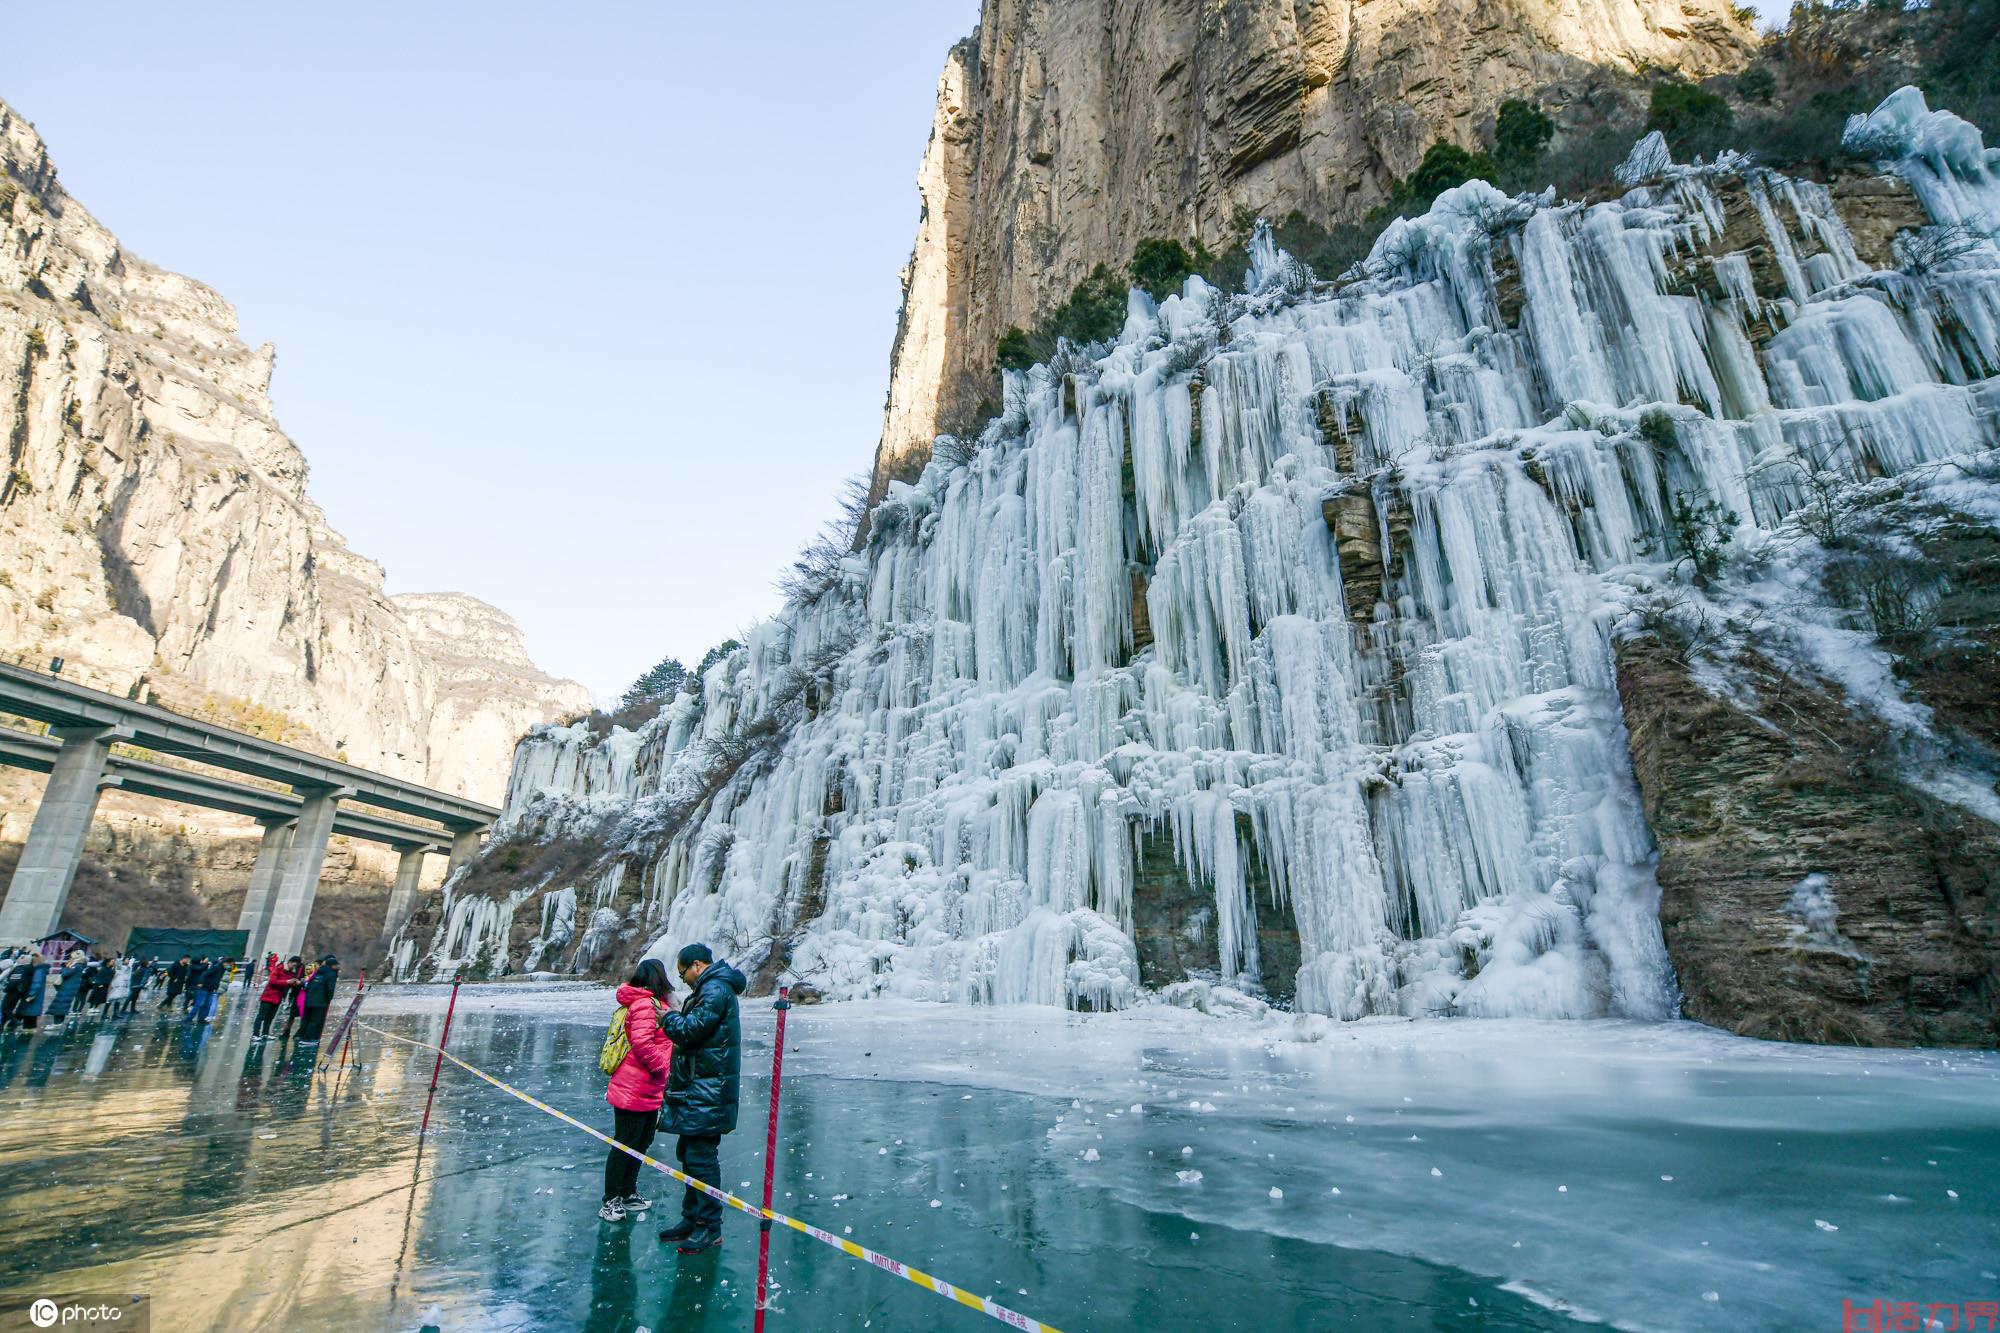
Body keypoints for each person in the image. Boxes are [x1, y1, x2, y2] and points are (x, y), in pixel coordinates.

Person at [654, 943, 746, 1254]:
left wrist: (666, 1018)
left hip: (708, 1091)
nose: (684, 981)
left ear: (697, 965)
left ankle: (709, 1226)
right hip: (701, 1088)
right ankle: (692, 1218)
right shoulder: (712, 988)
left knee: (702, 1159)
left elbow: (691, 1031)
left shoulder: (715, 990)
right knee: (690, 1154)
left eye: (683, 974)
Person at [600, 957, 676, 1222]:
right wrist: (661, 1068)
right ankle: (611, 1199)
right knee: (625, 1143)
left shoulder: (656, 1005)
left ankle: (627, 1193)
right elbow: (642, 1043)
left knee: (641, 1142)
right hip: (633, 1087)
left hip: (647, 1088)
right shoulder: (645, 1004)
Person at [253, 955, 300, 1039]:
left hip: (278, 998)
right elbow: (272, 981)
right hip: (268, 996)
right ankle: (255, 1034)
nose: (294, 967)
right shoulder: (279, 968)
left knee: (270, 1017)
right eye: (294, 965)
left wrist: (294, 984)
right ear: (289, 962)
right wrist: (287, 982)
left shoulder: (291, 973)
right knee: (261, 1016)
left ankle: (265, 1033)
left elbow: (287, 985)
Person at [296, 955, 339, 1043]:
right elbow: (330, 989)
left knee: (306, 1019)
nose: (337, 967)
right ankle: (309, 1039)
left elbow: (308, 985)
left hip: (308, 1000)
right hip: (320, 1002)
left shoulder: (317, 972)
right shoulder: (331, 974)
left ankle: (301, 1036)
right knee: (315, 1021)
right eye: (336, 965)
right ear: (332, 965)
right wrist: (328, 999)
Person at [47, 955, 86, 1026]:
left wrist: (65, 968)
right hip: (67, 988)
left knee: (60, 1005)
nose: (70, 959)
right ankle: (58, 1023)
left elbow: (65, 974)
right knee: (62, 1005)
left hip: (67, 988)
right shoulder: (78, 966)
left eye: (72, 957)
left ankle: (57, 1023)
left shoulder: (77, 966)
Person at [190, 955, 226, 1025]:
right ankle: (189, 1019)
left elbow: (217, 979)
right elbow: (204, 974)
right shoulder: (215, 967)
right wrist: (200, 982)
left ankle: (202, 1019)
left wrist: (216, 987)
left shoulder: (221, 969)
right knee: (199, 1004)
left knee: (207, 1004)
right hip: (204, 987)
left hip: (211, 988)